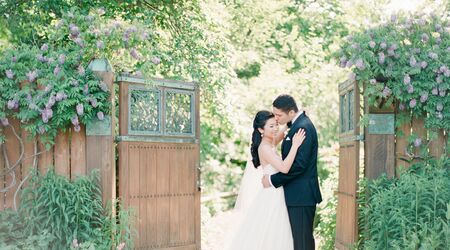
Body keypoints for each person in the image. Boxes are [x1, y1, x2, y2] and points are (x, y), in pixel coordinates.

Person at [224, 110, 305, 250]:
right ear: (261, 129)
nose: (275, 128)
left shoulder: (269, 141)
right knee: (273, 231)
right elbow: (284, 168)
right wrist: (295, 145)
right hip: (273, 196)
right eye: (271, 126)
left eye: (276, 124)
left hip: (274, 191)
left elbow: (277, 137)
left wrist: (288, 124)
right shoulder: (265, 148)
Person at [262, 94, 322, 250]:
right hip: (296, 196)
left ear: (291, 112)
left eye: (278, 115)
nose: (275, 118)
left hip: (301, 196)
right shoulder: (295, 124)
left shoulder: (303, 127)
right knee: (297, 241)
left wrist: (273, 180)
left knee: (302, 243)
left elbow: (299, 166)